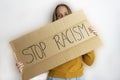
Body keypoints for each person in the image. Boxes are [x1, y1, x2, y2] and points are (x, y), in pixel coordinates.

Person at [16, 3, 97, 80]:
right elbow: (40, 64)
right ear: (55, 18)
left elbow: (90, 62)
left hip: (77, 77)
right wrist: (25, 68)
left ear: (70, 16)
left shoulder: (78, 33)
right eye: (59, 15)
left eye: (66, 14)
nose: (63, 18)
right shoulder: (47, 38)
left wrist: (89, 39)